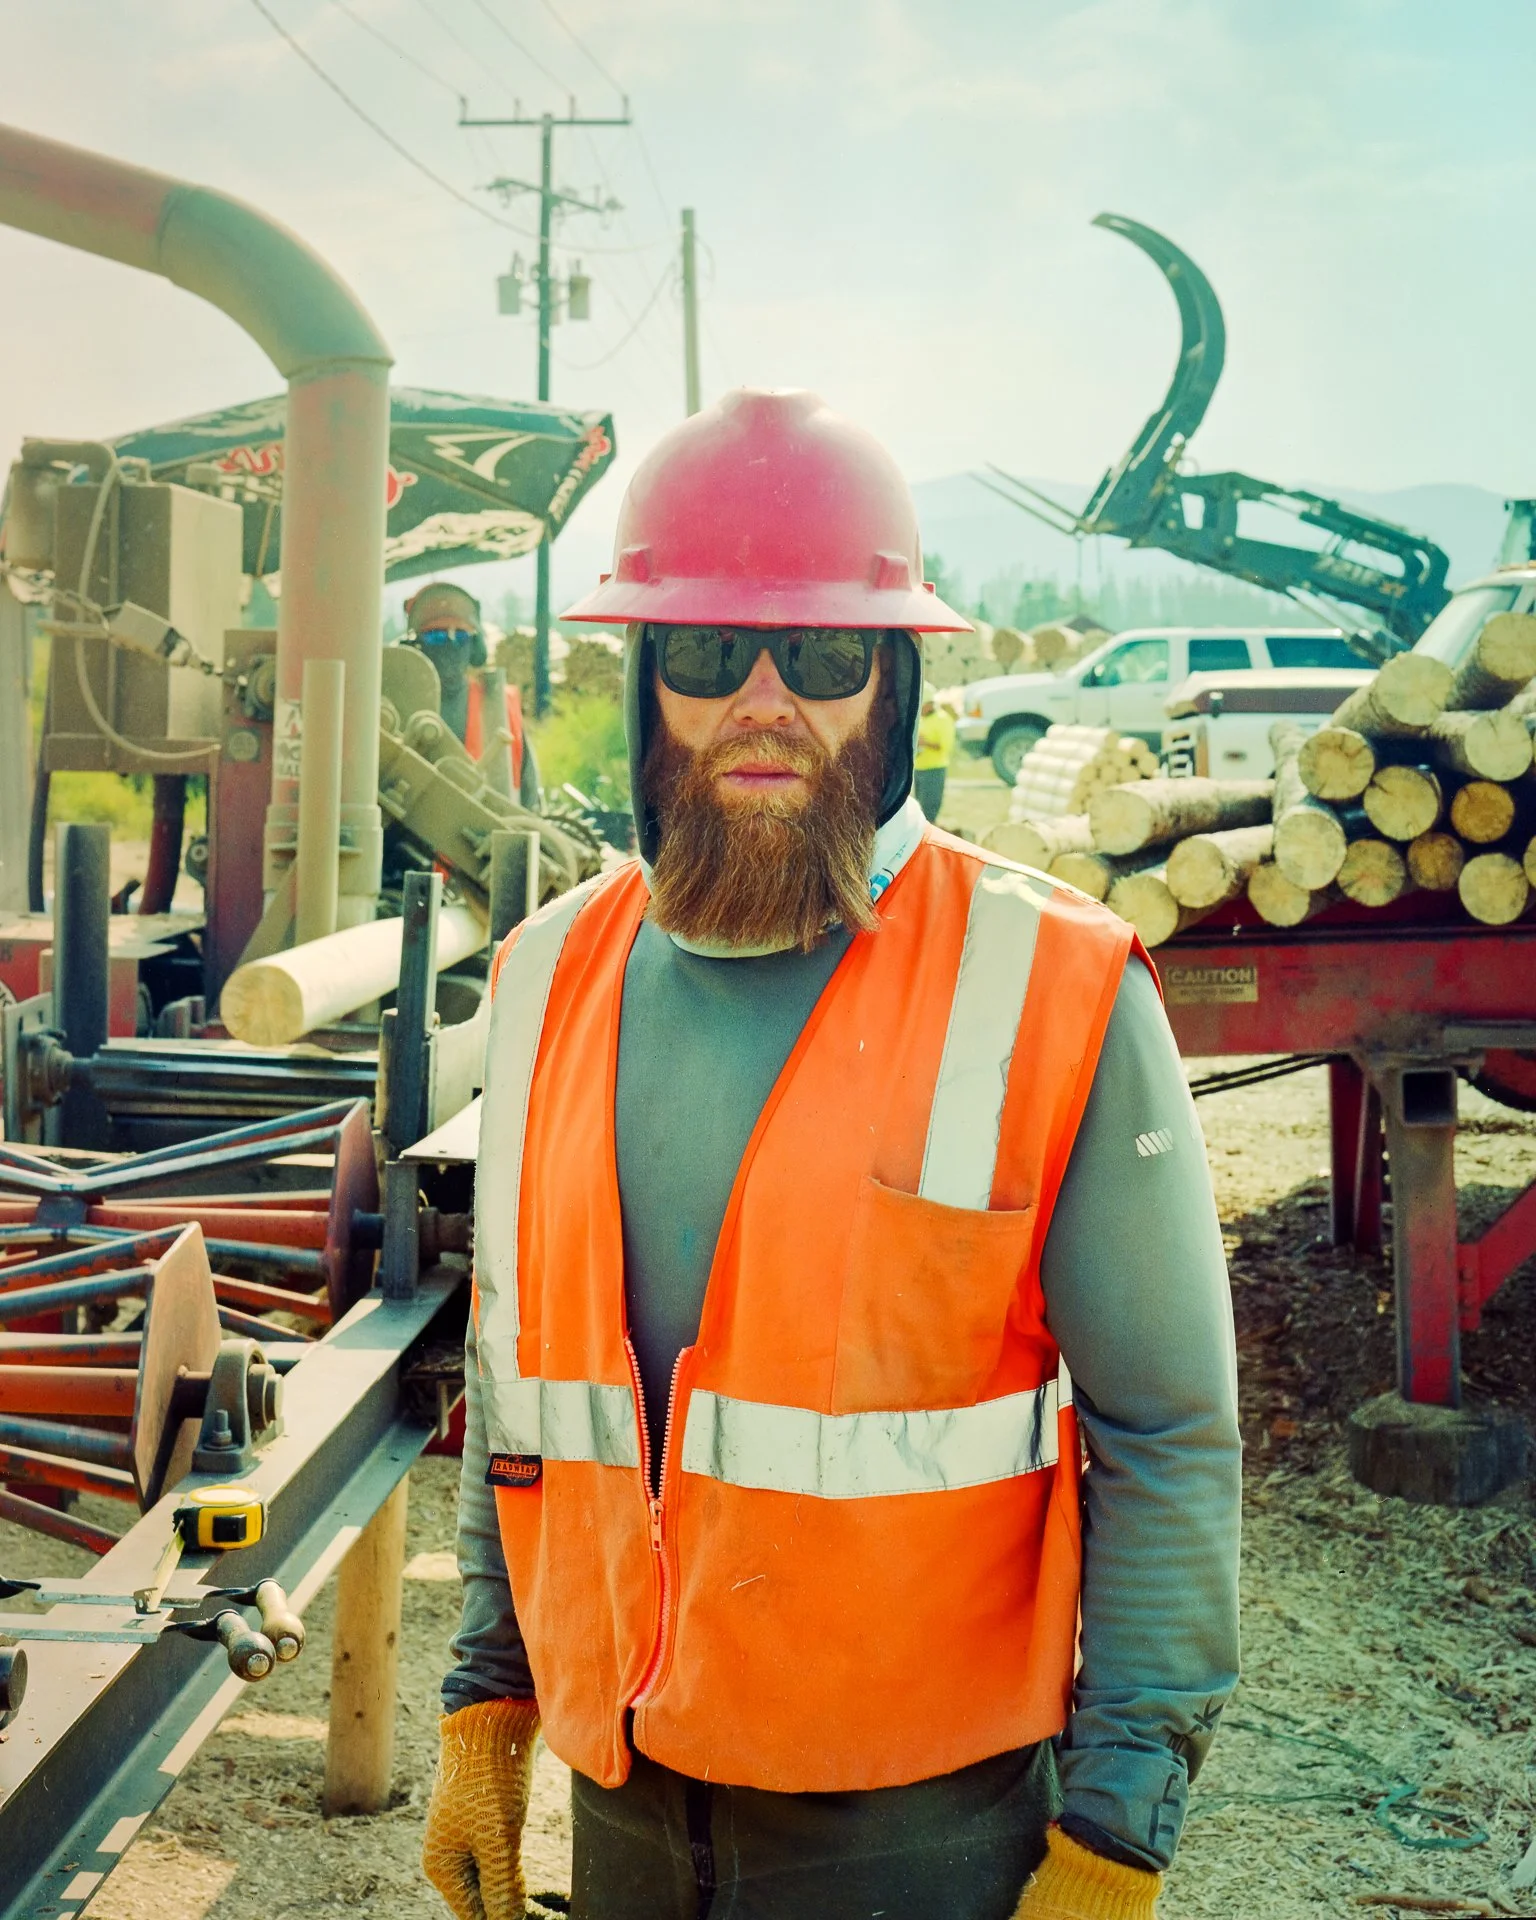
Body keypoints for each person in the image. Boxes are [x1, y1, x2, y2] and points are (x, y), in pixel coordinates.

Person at [422, 388, 1240, 1920]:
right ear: (649, 675)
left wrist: (1120, 1827)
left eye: (822, 656)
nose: (764, 702)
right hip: (630, 1815)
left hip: (918, 1834)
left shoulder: (1052, 987)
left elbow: (1170, 1437)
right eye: (712, 656)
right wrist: (486, 1699)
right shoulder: (547, 980)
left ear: (897, 683)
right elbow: (522, 1376)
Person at [401, 580, 534, 803]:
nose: (451, 644)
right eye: (437, 636)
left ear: (475, 647)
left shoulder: (500, 707)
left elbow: (530, 799)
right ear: (415, 646)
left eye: (461, 636)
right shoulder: (400, 704)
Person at [912, 679, 956, 821]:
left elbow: (945, 747)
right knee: (919, 811)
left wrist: (925, 743)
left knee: (929, 812)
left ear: (929, 704)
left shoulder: (943, 719)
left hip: (934, 771)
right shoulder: (921, 719)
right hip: (919, 769)